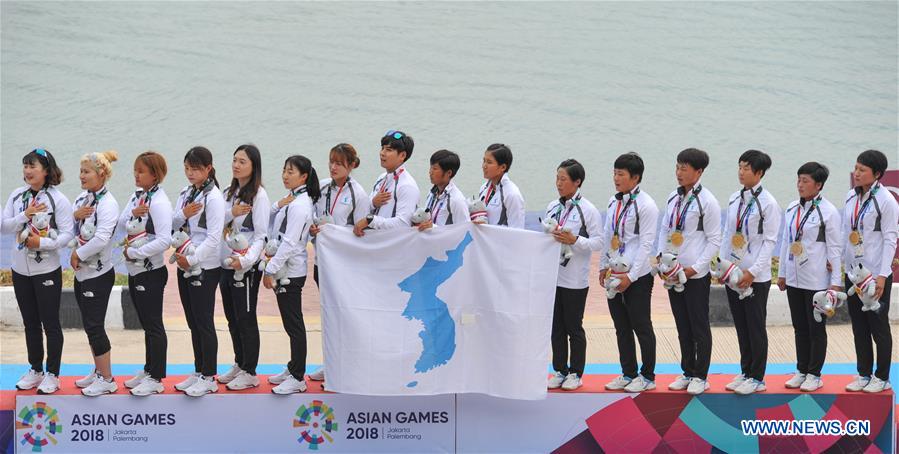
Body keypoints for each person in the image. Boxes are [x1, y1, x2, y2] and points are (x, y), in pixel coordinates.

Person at [3, 148, 73, 394]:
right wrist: (25, 214)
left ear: (46, 170)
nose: (27, 171)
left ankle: (53, 374)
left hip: (47, 271)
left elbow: (66, 235)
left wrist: (41, 243)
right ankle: (36, 369)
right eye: (25, 166)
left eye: (32, 166)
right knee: (30, 322)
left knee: (50, 323)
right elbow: (3, 226)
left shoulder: (58, 199)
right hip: (20, 269)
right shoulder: (16, 196)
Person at [656, 148, 721, 395]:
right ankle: (687, 371)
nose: (679, 173)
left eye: (684, 168)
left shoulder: (708, 202)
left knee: (698, 325)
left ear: (699, 171)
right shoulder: (673, 197)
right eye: (677, 167)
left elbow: (714, 239)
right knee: (682, 323)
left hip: (694, 274)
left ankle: (700, 376)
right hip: (673, 271)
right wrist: (663, 260)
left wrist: (695, 268)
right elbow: (665, 229)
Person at [776, 162, 842, 393]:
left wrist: (835, 283)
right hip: (794, 278)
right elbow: (787, 242)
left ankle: (815, 374)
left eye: (805, 181)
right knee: (799, 327)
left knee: (816, 328)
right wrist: (782, 273)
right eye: (799, 180)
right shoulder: (792, 208)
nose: (800, 185)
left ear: (819, 184)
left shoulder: (829, 212)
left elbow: (834, 248)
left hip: (816, 280)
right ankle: (802, 370)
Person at [307, 143, 370, 383]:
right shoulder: (322, 187)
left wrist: (335, 232)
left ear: (351, 166)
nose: (333, 167)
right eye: (331, 161)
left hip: (344, 268)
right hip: (321, 264)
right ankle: (331, 363)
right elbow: (312, 214)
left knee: (344, 318)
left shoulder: (359, 195)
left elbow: (360, 232)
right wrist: (314, 227)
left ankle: (348, 369)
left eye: (339, 163)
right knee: (328, 316)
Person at [720, 150, 781, 395]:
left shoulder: (769, 203)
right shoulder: (735, 198)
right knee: (741, 325)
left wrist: (753, 272)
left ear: (759, 173)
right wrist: (723, 266)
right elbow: (728, 233)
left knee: (755, 326)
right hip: (734, 272)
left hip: (755, 276)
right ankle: (745, 371)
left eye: (746, 168)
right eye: (740, 166)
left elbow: (770, 241)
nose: (741, 172)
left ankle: (757, 377)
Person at [599, 152, 659, 393]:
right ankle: (628, 372)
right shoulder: (614, 202)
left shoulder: (647, 205)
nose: (616, 178)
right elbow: (607, 236)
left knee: (641, 325)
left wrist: (631, 277)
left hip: (638, 276)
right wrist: (603, 265)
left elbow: (646, 244)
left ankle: (647, 376)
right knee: (621, 326)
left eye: (621, 174)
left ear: (635, 177)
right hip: (615, 271)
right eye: (614, 173)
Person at [171, 146, 225, 397]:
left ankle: (209, 376)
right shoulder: (186, 193)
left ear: (208, 169)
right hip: (185, 260)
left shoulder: (213, 197)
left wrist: (191, 260)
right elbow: (171, 222)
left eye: (195, 169)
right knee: (193, 322)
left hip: (204, 265)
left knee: (204, 322)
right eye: (187, 168)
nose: (190, 173)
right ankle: (198, 369)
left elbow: (214, 239)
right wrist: (183, 213)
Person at [842, 150, 897, 393]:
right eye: (855, 168)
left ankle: (882, 376)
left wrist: (883, 275)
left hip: (875, 275)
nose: (856, 173)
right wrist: (841, 266)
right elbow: (847, 234)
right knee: (859, 327)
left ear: (876, 174)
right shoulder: (850, 198)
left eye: (862, 170)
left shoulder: (885, 200)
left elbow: (890, 238)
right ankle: (863, 373)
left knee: (878, 327)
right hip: (853, 274)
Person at [545, 159, 602, 391]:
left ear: (577, 182)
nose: (559, 183)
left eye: (564, 179)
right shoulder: (552, 207)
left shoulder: (587, 209)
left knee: (573, 328)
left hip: (575, 280)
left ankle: (576, 372)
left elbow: (599, 242)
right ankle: (559, 369)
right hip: (552, 277)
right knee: (555, 327)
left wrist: (574, 240)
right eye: (557, 178)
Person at [119, 151, 173, 396]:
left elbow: (164, 241)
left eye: (141, 171)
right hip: (136, 271)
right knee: (146, 324)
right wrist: (133, 213)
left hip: (151, 272)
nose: (136, 175)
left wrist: (134, 253)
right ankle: (149, 368)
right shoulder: (137, 196)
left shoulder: (159, 202)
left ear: (155, 175)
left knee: (153, 325)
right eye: (135, 170)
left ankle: (157, 377)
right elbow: (121, 222)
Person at [217, 145, 270, 391]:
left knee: (246, 318)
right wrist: (231, 213)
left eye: (242, 161)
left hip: (245, 268)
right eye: (234, 160)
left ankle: (250, 370)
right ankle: (239, 362)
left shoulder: (259, 195)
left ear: (253, 166)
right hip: (226, 264)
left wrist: (246, 261)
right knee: (232, 318)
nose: (236, 165)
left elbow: (261, 236)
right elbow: (217, 224)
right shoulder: (228, 192)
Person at [265, 155, 319, 394]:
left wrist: (270, 269)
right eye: (284, 170)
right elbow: (270, 224)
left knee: (294, 324)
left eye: (291, 172)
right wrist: (277, 205)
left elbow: (289, 243)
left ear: (304, 176)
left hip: (291, 272)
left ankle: (298, 376)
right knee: (290, 323)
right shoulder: (293, 200)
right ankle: (293, 366)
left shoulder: (300, 205)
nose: (285, 175)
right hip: (284, 268)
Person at [70, 150, 120, 397]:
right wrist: (73, 215)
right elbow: (70, 228)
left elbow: (101, 238)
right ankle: (99, 370)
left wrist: (78, 254)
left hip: (98, 274)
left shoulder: (109, 203)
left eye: (86, 172)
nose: (81, 176)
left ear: (101, 174)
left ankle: (108, 379)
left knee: (95, 325)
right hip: (82, 275)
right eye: (81, 171)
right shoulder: (82, 199)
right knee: (90, 326)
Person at [353, 130, 419, 235]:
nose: (382, 153)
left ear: (402, 155)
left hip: (392, 247)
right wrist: (373, 203)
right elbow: (366, 208)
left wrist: (371, 220)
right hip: (375, 243)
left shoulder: (407, 185)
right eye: (382, 148)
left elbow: (403, 224)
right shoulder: (382, 178)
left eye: (388, 150)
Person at [416, 149, 469, 231]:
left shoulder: (457, 200)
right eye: (430, 167)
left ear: (449, 173)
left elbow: (464, 231)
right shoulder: (432, 193)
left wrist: (433, 228)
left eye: (435, 168)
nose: (430, 172)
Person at [475, 143, 525, 228]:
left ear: (503, 167)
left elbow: (517, 231)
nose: (484, 166)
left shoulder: (512, 194)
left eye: (489, 162)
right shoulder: (483, 188)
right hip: (484, 240)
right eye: (484, 161)